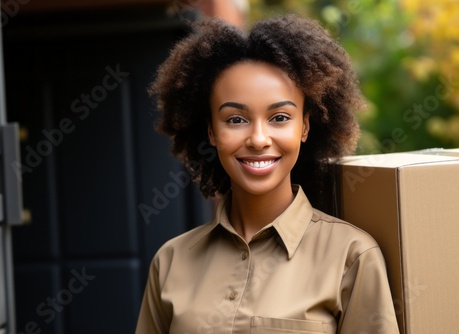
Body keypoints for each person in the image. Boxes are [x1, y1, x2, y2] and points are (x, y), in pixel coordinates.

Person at [136, 14, 399, 334]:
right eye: (235, 119)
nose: (259, 139)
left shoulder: (352, 256)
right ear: (211, 130)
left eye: (279, 117)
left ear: (304, 126)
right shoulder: (170, 262)